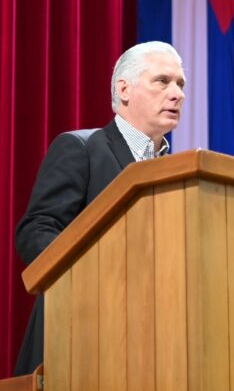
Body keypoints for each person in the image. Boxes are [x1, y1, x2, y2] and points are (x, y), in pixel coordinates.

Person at [13, 41, 186, 376]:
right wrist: (96, 276)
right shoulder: (81, 148)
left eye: (181, 84)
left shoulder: (177, 173)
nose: (176, 93)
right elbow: (36, 229)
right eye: (163, 81)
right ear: (124, 89)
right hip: (76, 334)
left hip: (149, 342)